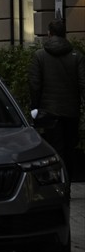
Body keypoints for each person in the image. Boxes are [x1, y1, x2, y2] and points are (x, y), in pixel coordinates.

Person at [29, 18, 85, 177]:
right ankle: (67, 180)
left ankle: (57, 182)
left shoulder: (39, 56)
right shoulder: (77, 56)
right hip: (71, 111)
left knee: (54, 148)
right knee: (69, 148)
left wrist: (35, 107)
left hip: (49, 110)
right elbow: (83, 83)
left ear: (49, 34)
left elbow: (35, 84)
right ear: (64, 34)